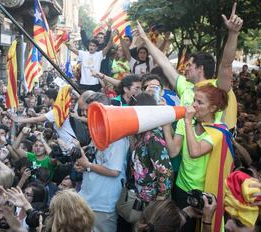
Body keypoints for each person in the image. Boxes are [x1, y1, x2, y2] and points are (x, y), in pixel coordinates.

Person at [137, 2, 243, 130]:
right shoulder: (184, 85)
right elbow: (163, 62)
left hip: (211, 149)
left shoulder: (218, 87)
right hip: (186, 150)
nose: (185, 68)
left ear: (200, 68)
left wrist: (233, 33)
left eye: (189, 65)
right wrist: (145, 38)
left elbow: (226, 64)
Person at [163, 85, 232, 232]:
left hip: (201, 193)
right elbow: (174, 151)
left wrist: (187, 121)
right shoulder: (185, 122)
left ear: (213, 108)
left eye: (199, 102)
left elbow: (195, 151)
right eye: (194, 100)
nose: (193, 105)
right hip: (181, 187)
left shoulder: (219, 131)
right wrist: (166, 127)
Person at [74, 92, 130, 232]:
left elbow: (114, 171)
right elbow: (94, 160)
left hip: (103, 204)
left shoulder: (117, 138)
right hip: (87, 198)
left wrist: (88, 165)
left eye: (92, 112)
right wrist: (83, 166)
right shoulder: (97, 131)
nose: (88, 116)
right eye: (87, 111)